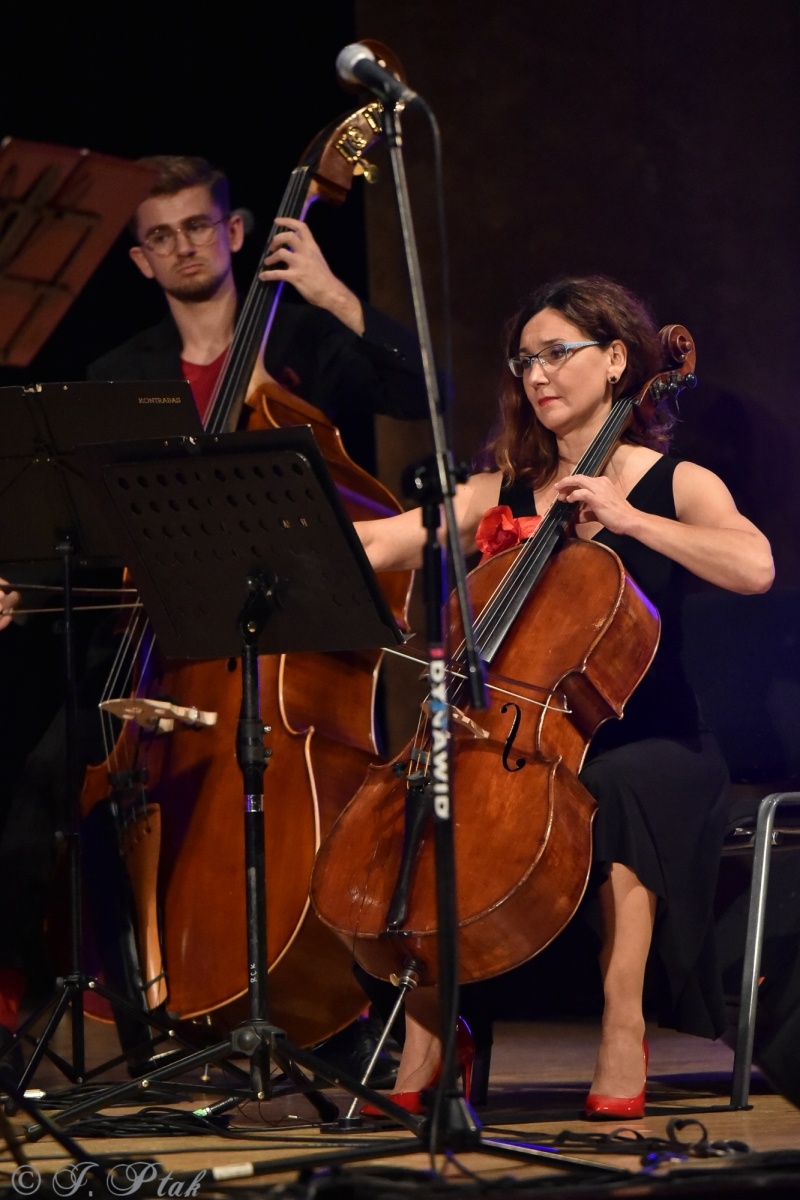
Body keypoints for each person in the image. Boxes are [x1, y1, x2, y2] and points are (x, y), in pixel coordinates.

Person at [0, 153, 429, 1086]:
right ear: (139, 262)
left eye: (199, 225)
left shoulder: (308, 345)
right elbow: (92, 525)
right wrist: (27, 590)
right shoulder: (123, 374)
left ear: (234, 233)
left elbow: (419, 393)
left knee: (315, 813)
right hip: (153, 651)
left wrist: (334, 293)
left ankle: (337, 1012)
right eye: (161, 235)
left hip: (288, 652)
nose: (184, 245)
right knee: (44, 801)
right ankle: (77, 1006)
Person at [347, 274, 774, 1119]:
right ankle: (437, 1027)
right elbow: (383, 542)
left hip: (654, 742)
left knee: (614, 790)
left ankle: (624, 1025)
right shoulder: (501, 489)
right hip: (527, 739)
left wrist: (630, 517)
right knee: (433, 795)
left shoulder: (671, 480)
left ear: (617, 362)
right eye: (524, 360)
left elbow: (755, 567)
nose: (535, 375)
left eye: (556, 354)